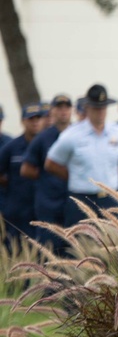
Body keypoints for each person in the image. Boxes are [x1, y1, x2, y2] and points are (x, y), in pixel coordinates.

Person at [45, 85, 118, 228]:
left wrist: (112, 175)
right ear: (87, 108)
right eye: (96, 108)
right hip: (81, 199)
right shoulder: (72, 135)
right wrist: (75, 176)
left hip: (111, 199)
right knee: (81, 247)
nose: (100, 112)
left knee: (114, 245)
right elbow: (51, 163)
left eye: (103, 107)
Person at [21, 94, 73, 250]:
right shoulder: (43, 138)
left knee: (72, 249)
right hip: (49, 204)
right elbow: (26, 169)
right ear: (52, 111)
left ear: (72, 110)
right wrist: (46, 176)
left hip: (73, 201)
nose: (63, 111)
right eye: (59, 108)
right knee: (49, 248)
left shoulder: (79, 135)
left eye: (66, 107)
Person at [0, 104, 46, 246]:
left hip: (42, 206)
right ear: (23, 121)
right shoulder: (11, 146)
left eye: (38, 118)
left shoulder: (49, 144)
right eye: (30, 119)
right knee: (15, 247)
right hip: (17, 208)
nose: (35, 122)